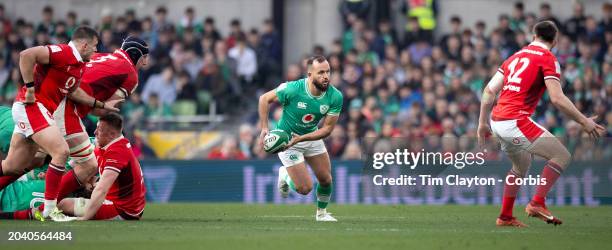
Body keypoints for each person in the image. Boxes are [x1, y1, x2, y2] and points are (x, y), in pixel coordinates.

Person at [477, 21, 605, 227]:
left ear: (534, 36)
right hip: (514, 121)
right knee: (561, 155)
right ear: (555, 40)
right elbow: (557, 98)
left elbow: (489, 91)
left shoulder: (514, 58)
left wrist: (482, 123)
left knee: (521, 165)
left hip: (496, 120)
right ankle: (537, 202)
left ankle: (505, 216)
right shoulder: (548, 59)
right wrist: (584, 121)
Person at [0, 26, 115, 221]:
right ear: (85, 44)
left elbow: (73, 91)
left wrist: (99, 104)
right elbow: (26, 55)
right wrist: (29, 87)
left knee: (13, 166)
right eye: (95, 46)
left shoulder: (79, 66)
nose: (96, 51)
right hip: (32, 106)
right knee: (61, 151)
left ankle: (49, 209)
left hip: (39, 111)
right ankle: (49, 210)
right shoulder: (63, 52)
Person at [54, 36, 148, 203]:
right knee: (90, 164)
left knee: (20, 163)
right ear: (136, 55)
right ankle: (47, 206)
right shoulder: (131, 75)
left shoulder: (99, 56)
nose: (145, 63)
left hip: (50, 98)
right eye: (144, 57)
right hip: (66, 109)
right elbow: (100, 110)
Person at [258, 55, 343, 222]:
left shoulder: (335, 96)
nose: (325, 76)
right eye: (320, 72)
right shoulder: (292, 89)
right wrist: (264, 127)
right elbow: (264, 99)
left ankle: (321, 214)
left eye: (328, 72)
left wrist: (302, 138)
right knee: (305, 188)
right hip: (287, 141)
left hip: (309, 136)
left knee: (326, 179)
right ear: (310, 75)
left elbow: (327, 129)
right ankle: (284, 174)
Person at [58, 113, 146, 220]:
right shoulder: (109, 145)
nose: (95, 132)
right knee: (87, 186)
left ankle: (39, 211)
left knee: (63, 204)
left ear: (112, 135)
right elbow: (77, 166)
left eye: (99, 130)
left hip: (122, 210)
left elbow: (102, 189)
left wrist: (86, 217)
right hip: (129, 205)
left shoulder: (117, 152)